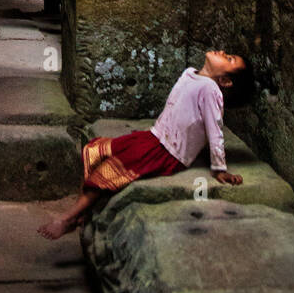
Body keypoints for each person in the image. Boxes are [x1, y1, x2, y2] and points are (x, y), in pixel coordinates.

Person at [38, 50, 254, 240]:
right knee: (94, 149)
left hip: (167, 152)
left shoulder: (210, 90)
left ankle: (68, 218)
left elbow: (215, 130)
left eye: (229, 58)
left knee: (109, 170)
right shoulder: (189, 73)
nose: (222, 52)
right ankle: (83, 211)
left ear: (225, 81)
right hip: (153, 137)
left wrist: (219, 168)